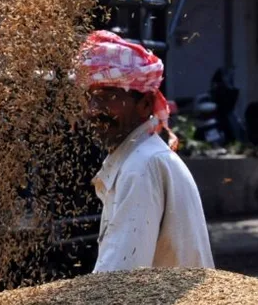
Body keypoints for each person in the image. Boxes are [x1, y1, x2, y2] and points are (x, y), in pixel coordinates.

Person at [74, 30, 213, 272]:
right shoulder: (143, 156)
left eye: (108, 97)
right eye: (90, 98)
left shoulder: (140, 166)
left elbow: (119, 282)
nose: (93, 110)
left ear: (145, 105)